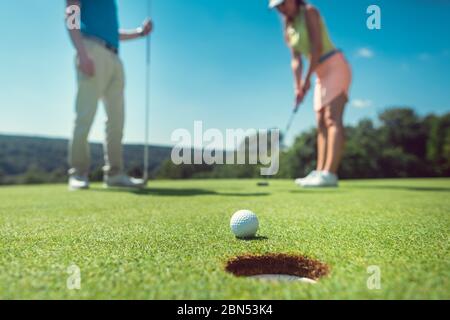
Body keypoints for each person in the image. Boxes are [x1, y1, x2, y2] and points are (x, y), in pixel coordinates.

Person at [65, 0, 153, 190]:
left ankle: (115, 173)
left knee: (117, 120)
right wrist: (81, 52)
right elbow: (71, 16)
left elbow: (113, 33)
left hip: (115, 57)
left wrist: (139, 32)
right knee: (85, 116)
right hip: (91, 50)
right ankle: (78, 173)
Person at [269, 0, 352, 187]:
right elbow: (296, 60)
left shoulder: (309, 11)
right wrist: (297, 86)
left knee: (332, 118)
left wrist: (306, 80)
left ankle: (330, 174)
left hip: (335, 66)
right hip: (319, 74)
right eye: (277, 7)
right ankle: (320, 172)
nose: (281, 8)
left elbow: (316, 48)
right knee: (320, 122)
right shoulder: (288, 27)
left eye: (283, 3)